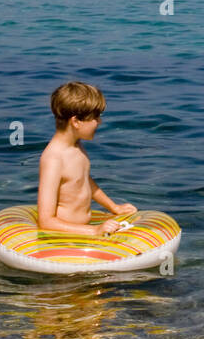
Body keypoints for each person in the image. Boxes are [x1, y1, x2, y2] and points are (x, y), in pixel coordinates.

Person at [37, 82, 135, 237]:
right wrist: (95, 230)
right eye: (95, 117)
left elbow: (83, 180)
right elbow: (46, 221)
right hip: (62, 235)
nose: (100, 122)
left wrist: (114, 207)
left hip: (82, 230)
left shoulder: (76, 146)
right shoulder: (53, 159)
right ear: (76, 122)